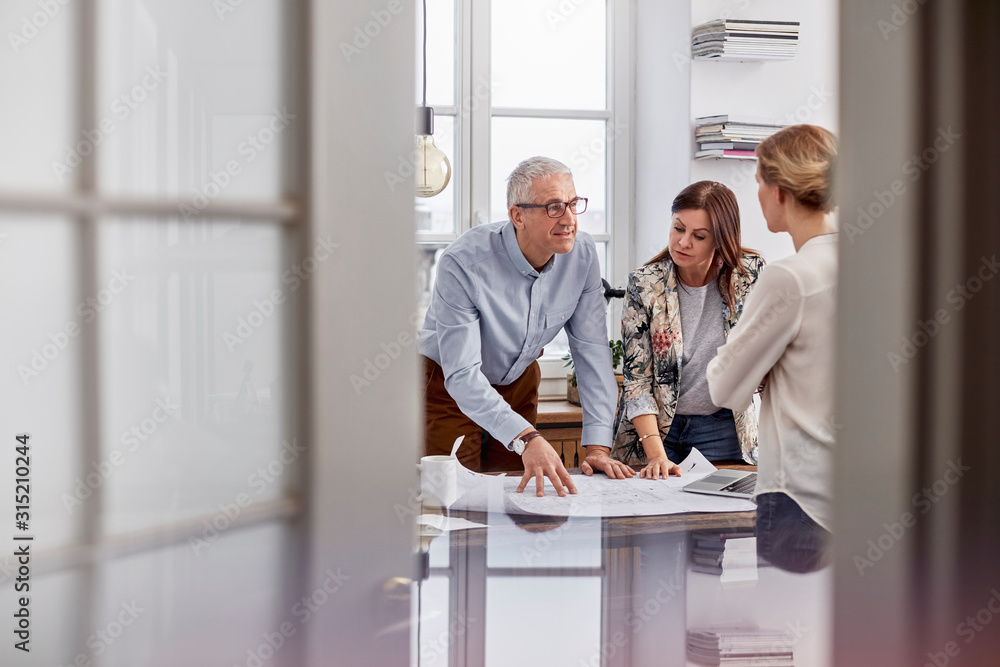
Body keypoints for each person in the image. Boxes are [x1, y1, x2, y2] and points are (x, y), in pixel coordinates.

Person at [418, 156, 635, 497]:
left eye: (573, 204)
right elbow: (462, 375)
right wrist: (528, 437)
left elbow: (591, 352)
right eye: (553, 207)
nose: (569, 220)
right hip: (446, 385)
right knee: (454, 498)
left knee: (516, 496)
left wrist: (597, 447)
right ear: (517, 216)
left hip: (518, 382)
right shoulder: (462, 263)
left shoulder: (583, 255)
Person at [707, 124, 838, 573]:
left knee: (788, 637)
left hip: (798, 501)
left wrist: (754, 355)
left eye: (759, 182)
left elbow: (724, 389)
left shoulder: (789, 277)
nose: (757, 193)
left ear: (779, 191)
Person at [610, 182, 764, 480]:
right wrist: (657, 456)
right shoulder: (645, 285)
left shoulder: (749, 276)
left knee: (719, 522)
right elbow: (637, 382)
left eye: (699, 236)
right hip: (652, 433)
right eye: (678, 228)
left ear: (721, 239)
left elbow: (768, 360)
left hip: (722, 429)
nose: (683, 242)